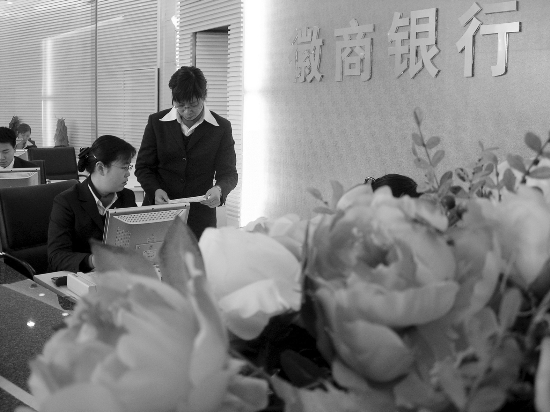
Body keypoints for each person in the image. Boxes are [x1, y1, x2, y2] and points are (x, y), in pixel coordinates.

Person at [135, 65, 238, 240]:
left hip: (199, 216)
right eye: (180, 105)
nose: (187, 111)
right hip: (160, 211)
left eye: (193, 104)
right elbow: (143, 167)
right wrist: (154, 190)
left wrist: (219, 189)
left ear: (204, 96)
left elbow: (229, 173)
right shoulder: (157, 122)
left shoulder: (220, 127)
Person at [47, 135, 137, 273]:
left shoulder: (127, 197)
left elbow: (135, 239)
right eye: (124, 167)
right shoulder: (67, 202)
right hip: (79, 277)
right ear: (100, 168)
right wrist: (94, 260)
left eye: (129, 167)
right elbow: (56, 257)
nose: (128, 174)